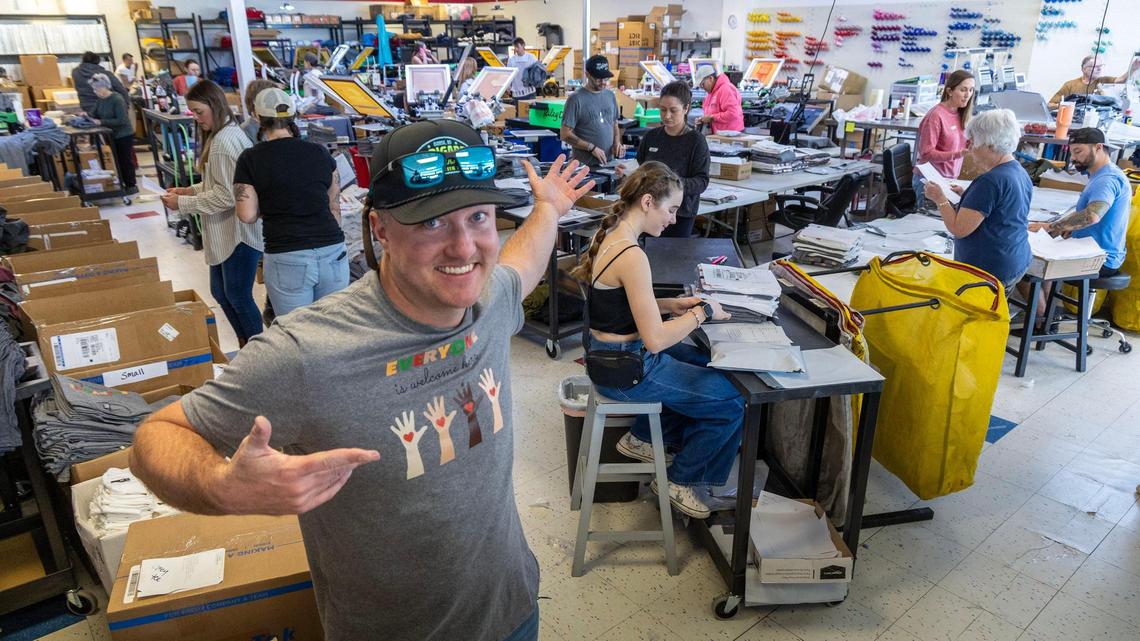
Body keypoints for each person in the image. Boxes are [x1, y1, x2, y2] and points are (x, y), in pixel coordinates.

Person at [130, 118, 595, 641]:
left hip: (511, 608)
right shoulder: (309, 352)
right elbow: (155, 437)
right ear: (379, 229)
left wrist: (550, 207)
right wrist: (219, 486)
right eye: (432, 224)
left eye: (478, 217)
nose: (465, 248)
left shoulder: (492, 302)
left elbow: (522, 257)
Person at [568, 161, 744, 519]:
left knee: (704, 362)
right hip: (628, 370)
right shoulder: (632, 255)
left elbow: (621, 303)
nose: (674, 218)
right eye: (672, 209)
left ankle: (646, 437)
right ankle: (685, 480)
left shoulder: (616, 235)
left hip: (611, 358)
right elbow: (656, 341)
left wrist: (671, 304)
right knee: (733, 400)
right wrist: (702, 313)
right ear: (648, 202)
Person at [160, 79, 264, 346]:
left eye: (198, 112)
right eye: (192, 112)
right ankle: (247, 348)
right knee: (222, 292)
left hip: (237, 234)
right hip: (225, 233)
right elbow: (219, 182)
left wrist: (183, 204)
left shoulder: (223, 143)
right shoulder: (222, 135)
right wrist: (189, 191)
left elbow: (229, 196)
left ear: (214, 106)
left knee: (238, 296)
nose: (195, 119)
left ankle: (259, 354)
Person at [233, 88, 348, 317]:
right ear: (293, 117)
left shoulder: (250, 159)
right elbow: (334, 206)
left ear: (257, 118)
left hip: (288, 255)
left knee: (297, 336)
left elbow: (246, 215)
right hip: (332, 252)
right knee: (336, 334)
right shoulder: (319, 152)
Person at [923, 109, 1032, 291]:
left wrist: (939, 198)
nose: (970, 150)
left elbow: (959, 229)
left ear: (991, 145)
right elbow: (1000, 206)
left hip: (989, 269)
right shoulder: (1017, 170)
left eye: (974, 144)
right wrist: (967, 195)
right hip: (1014, 258)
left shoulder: (990, 180)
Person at [1030, 128, 1130, 278]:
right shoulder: (1102, 174)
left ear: (1098, 148)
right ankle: (1043, 299)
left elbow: (1092, 216)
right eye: (1071, 153)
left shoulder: (1106, 179)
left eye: (1078, 152)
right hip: (1093, 251)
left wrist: (1050, 226)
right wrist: (1069, 228)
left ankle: (1040, 302)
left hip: (1100, 259)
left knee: (1024, 264)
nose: (1072, 158)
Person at [616, 81, 710, 238]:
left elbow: (701, 182)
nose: (667, 116)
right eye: (663, 110)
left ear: (686, 108)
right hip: (647, 213)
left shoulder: (696, 141)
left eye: (673, 110)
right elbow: (640, 169)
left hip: (679, 216)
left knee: (669, 259)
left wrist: (669, 186)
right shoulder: (652, 136)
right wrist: (627, 173)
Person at [914, 69, 975, 207]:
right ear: (949, 91)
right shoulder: (936, 115)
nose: (967, 95)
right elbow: (927, 152)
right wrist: (958, 154)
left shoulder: (961, 114)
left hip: (949, 179)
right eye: (963, 90)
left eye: (971, 90)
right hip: (930, 181)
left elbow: (961, 141)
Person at [561, 55, 623, 168]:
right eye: (598, 79)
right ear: (587, 74)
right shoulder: (575, 99)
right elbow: (565, 134)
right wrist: (591, 147)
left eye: (605, 78)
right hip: (585, 166)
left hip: (608, 164)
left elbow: (614, 124)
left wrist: (617, 143)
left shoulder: (610, 96)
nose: (603, 82)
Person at [87, 74, 137, 195]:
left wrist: (101, 122)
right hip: (111, 135)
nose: (95, 92)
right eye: (94, 89)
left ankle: (131, 185)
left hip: (123, 134)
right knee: (117, 160)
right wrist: (85, 116)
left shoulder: (117, 99)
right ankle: (120, 182)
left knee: (125, 160)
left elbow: (122, 120)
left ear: (105, 87)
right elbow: (93, 113)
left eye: (97, 89)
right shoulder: (100, 100)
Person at [1049, 55, 1140, 108]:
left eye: (1100, 66)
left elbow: (1121, 80)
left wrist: (1132, 69)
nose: (1099, 69)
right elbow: (1050, 104)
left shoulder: (1103, 81)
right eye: (1095, 67)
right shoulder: (1070, 85)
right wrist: (1067, 107)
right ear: (1084, 69)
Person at [694, 65, 744, 134]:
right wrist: (702, 119)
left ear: (711, 78)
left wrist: (712, 117)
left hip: (731, 136)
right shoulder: (710, 93)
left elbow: (732, 113)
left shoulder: (725, 89)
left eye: (702, 84)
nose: (702, 88)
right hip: (720, 135)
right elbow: (709, 114)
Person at [506, 38, 537, 102]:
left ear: (523, 45)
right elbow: (508, 76)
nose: (516, 49)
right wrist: (508, 87)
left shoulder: (531, 57)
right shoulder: (511, 60)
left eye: (517, 47)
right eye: (515, 47)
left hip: (530, 94)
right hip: (517, 95)